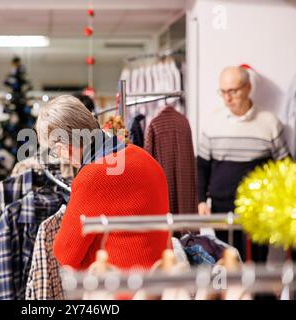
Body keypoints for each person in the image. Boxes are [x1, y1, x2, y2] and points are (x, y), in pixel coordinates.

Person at [35, 95, 170, 270]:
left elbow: (65, 253)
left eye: (55, 151)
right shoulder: (143, 156)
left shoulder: (94, 175)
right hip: (163, 280)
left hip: (122, 287)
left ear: (62, 147)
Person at [197, 66, 290, 261]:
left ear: (248, 88)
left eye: (233, 91)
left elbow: (285, 167)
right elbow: (202, 166)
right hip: (221, 206)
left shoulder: (270, 123)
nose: (227, 98)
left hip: (259, 208)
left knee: (256, 261)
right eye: (222, 92)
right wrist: (201, 200)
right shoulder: (212, 122)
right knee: (227, 259)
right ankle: (230, 292)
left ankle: (256, 293)